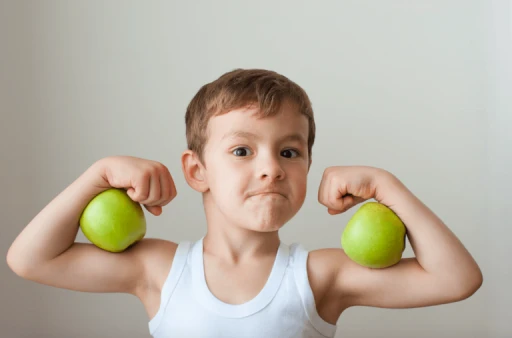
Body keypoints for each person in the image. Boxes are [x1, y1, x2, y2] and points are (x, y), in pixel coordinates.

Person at [6, 69, 483, 338]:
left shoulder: (319, 277)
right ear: (197, 170)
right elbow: (30, 259)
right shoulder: (161, 269)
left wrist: (386, 186)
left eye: (289, 152)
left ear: (308, 166)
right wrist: (98, 174)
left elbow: (457, 279)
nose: (271, 168)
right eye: (242, 151)